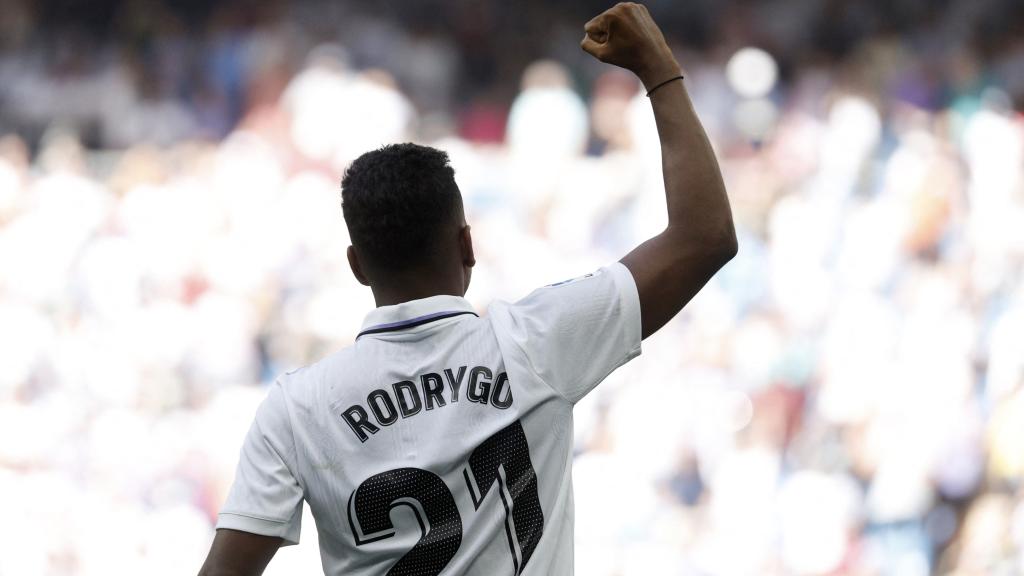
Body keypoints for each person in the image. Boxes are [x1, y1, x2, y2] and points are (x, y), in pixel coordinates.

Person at [197, 3, 736, 575]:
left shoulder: (295, 408)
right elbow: (705, 236)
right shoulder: (536, 343)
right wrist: (658, 70)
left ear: (357, 265)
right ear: (467, 247)